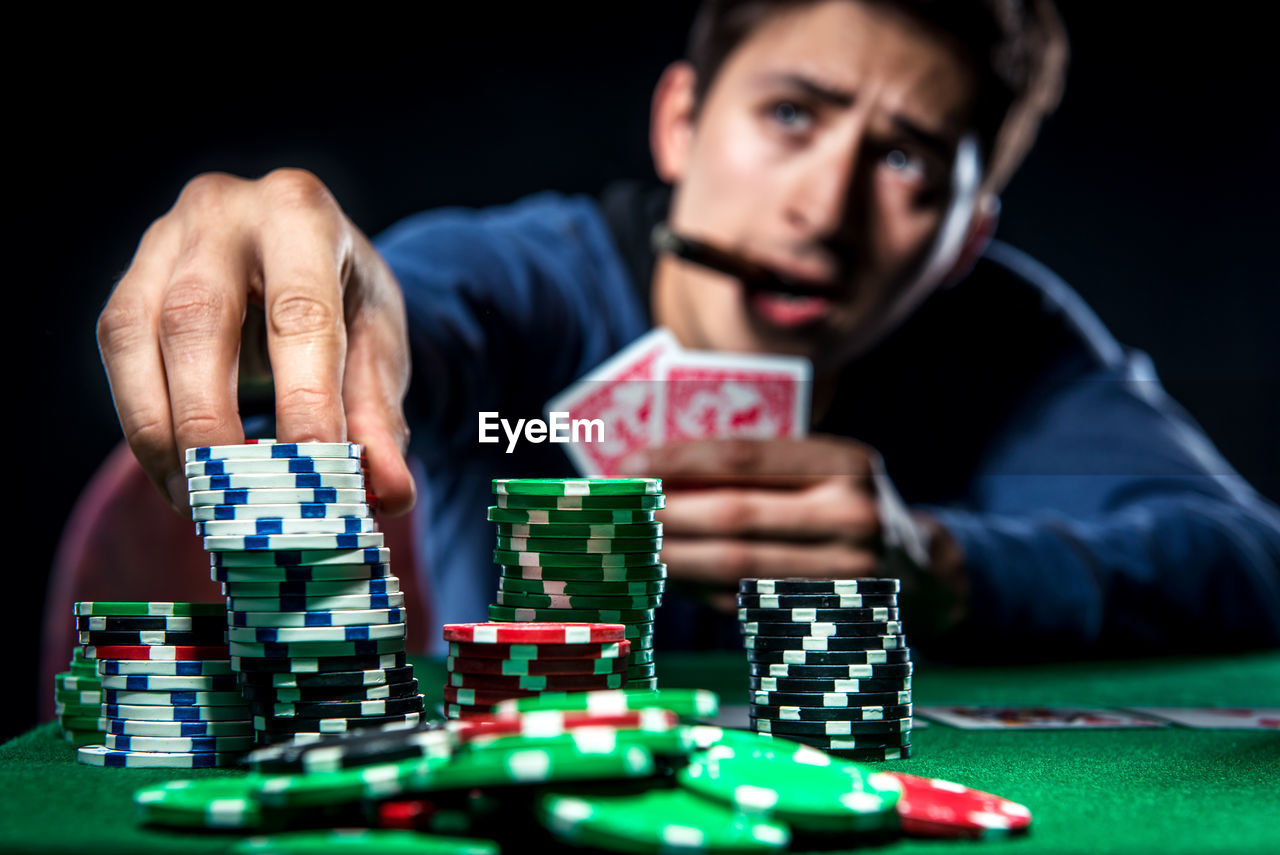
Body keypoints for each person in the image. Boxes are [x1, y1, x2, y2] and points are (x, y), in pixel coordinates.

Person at [95, 0, 1280, 658]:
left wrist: (948, 567)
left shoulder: (1006, 338)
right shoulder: (522, 281)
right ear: (679, 124)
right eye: (788, 115)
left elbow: (1251, 556)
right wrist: (301, 307)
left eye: (907, 159)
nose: (821, 210)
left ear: (966, 232)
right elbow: (402, 305)